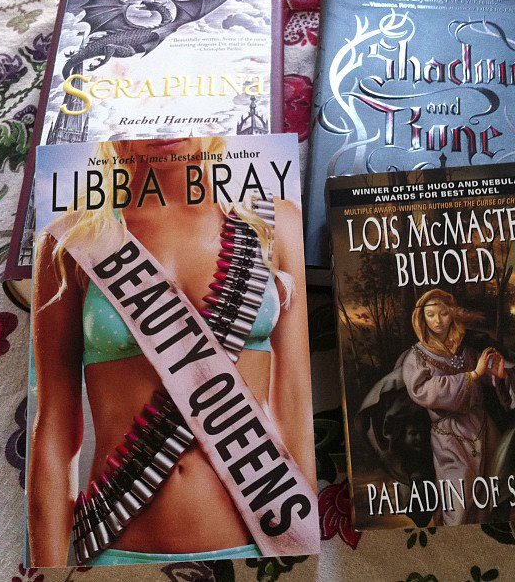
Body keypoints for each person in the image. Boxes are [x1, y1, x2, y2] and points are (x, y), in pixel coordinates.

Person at [27, 137, 315, 566]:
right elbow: (54, 423)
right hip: (117, 549)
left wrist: (305, 548)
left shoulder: (275, 222)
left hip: (264, 543)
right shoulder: (71, 239)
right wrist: (48, 571)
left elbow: (295, 401)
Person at [401, 289, 515, 525]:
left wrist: (499, 375)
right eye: (431, 314)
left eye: (443, 313)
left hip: (484, 431)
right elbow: (423, 390)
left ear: (452, 315)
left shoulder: (467, 352)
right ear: (421, 318)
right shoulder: (416, 356)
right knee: (457, 501)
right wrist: (473, 376)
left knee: (485, 497)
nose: (438, 321)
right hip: (448, 437)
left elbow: (490, 372)